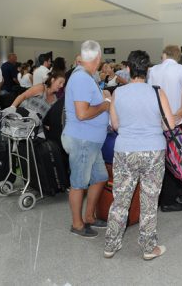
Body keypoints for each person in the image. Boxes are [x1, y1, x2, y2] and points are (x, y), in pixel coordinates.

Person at [104, 50, 174, 260]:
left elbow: (115, 125)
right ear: (148, 70)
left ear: (128, 69)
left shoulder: (119, 93)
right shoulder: (157, 92)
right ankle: (148, 248)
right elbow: (169, 124)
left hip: (125, 150)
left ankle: (110, 245)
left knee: (120, 200)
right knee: (149, 201)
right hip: (153, 151)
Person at [61, 40, 111, 238]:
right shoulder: (82, 78)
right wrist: (105, 105)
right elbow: (82, 113)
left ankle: (89, 216)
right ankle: (77, 224)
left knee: (100, 177)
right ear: (98, 58)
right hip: (82, 139)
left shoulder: (86, 76)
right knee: (79, 183)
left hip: (90, 141)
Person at [147, 45, 182, 212]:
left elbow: (150, 93)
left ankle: (157, 198)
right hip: (178, 121)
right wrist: (181, 109)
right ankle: (169, 200)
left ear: (164, 55)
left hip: (158, 121)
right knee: (176, 159)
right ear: (178, 57)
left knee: (159, 160)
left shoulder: (153, 70)